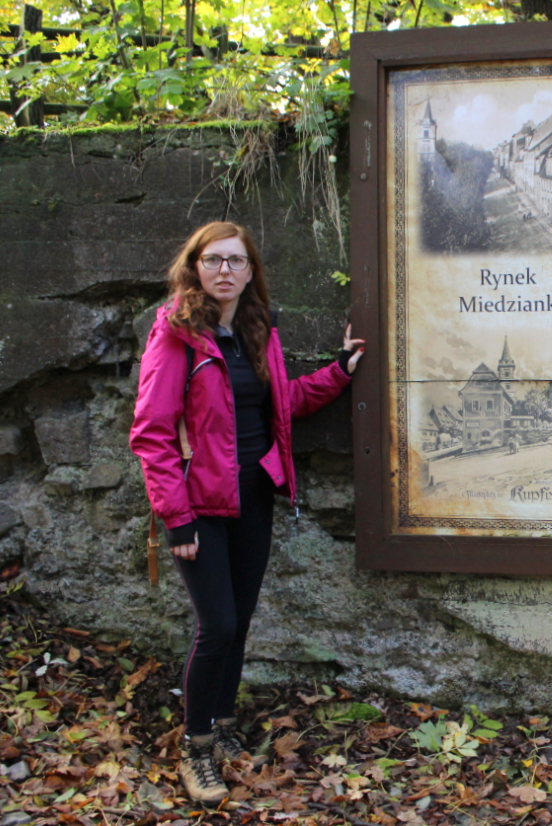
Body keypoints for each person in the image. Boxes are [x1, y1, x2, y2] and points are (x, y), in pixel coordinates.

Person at [129, 222, 363, 805]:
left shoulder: (258, 332)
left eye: (236, 261)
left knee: (242, 618)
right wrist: (175, 519)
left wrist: (339, 371)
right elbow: (151, 433)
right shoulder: (177, 335)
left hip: (254, 495)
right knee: (219, 627)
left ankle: (225, 724)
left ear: (251, 271)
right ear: (195, 268)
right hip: (199, 503)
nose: (225, 271)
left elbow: (283, 404)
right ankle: (196, 745)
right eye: (213, 261)